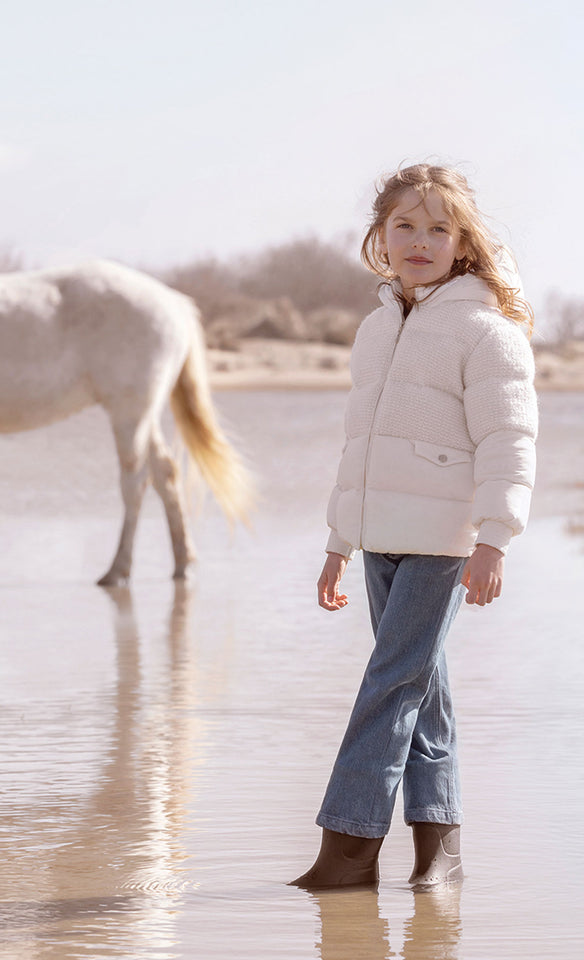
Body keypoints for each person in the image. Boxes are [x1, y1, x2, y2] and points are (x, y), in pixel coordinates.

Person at [290, 164, 538, 890]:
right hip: (381, 535)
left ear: (462, 243)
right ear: (380, 237)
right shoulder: (375, 328)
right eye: (405, 225)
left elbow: (508, 439)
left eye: (438, 228)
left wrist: (494, 537)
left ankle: (349, 850)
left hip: (445, 542)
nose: (420, 240)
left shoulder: (485, 331)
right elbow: (358, 446)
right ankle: (442, 849)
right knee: (420, 690)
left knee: (390, 682)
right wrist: (339, 543)